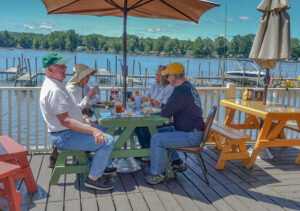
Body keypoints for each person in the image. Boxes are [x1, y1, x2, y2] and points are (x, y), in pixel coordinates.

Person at [40, 53, 116, 191]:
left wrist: (86, 122)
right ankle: (93, 179)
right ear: (50, 70)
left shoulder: (57, 84)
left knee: (104, 130)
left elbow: (70, 114)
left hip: (66, 131)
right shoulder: (55, 90)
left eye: (64, 64)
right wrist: (92, 130)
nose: (65, 67)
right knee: (108, 140)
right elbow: (66, 121)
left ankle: (103, 165)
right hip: (65, 135)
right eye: (61, 66)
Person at [145, 62, 206, 185]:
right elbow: (172, 108)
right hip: (192, 130)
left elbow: (165, 113)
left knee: (157, 139)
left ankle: (158, 174)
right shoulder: (188, 87)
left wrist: (163, 107)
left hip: (190, 135)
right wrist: (162, 105)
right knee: (157, 133)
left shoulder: (180, 91)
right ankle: (176, 162)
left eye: (167, 76)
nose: (166, 79)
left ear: (173, 76)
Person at [135, 65, 174, 149]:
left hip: (163, 120)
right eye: (156, 75)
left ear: (165, 77)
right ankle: (145, 150)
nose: (156, 77)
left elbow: (166, 107)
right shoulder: (154, 86)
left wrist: (157, 103)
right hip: (151, 117)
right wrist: (141, 97)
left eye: (159, 76)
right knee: (136, 126)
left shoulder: (170, 88)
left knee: (143, 127)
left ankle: (149, 151)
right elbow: (147, 98)